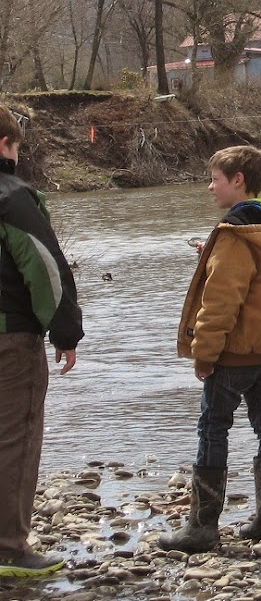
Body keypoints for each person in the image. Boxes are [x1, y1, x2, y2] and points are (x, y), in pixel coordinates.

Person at [162, 146, 261, 554]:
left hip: (233, 353)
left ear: (238, 180)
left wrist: (204, 353)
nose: (209, 188)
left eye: (215, 180)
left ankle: (202, 527)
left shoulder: (235, 235)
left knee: (212, 428)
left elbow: (221, 302)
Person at [0, 105, 83, 578]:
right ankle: (8, 548)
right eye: (16, 146)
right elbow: (46, 269)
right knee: (14, 438)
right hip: (10, 337)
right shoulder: (12, 197)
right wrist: (65, 330)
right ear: (5, 147)